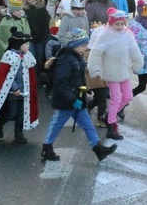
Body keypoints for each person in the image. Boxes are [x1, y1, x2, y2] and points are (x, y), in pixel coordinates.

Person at [40, 28, 117, 162]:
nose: (85, 48)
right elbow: (60, 84)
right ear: (74, 45)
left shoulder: (77, 58)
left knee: (87, 124)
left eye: (86, 45)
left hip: (77, 100)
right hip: (66, 102)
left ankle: (98, 149)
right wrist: (72, 99)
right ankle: (47, 147)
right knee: (56, 124)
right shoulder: (64, 60)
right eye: (83, 45)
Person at [87, 8, 143, 140]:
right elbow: (95, 52)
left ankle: (109, 116)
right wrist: (94, 69)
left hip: (124, 71)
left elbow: (134, 50)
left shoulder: (127, 34)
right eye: (116, 24)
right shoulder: (105, 35)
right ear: (111, 23)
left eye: (122, 24)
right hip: (111, 72)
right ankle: (111, 127)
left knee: (128, 96)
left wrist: (137, 64)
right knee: (116, 98)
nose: (119, 27)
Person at [0, 27, 39, 143]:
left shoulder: (27, 56)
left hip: (25, 91)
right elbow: (6, 76)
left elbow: (30, 74)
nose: (28, 46)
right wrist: (15, 88)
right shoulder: (9, 56)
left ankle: (18, 134)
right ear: (18, 44)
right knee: (12, 112)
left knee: (22, 113)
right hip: (11, 92)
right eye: (26, 44)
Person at [0, 0, 31, 81]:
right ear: (13, 11)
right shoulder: (5, 22)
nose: (21, 12)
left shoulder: (23, 20)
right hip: (10, 55)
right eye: (19, 10)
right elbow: (5, 40)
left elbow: (27, 34)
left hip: (22, 53)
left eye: (21, 10)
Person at [23, 0, 51, 87]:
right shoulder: (24, 10)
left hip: (40, 38)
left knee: (39, 58)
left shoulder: (42, 10)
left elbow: (45, 24)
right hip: (29, 38)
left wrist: (44, 38)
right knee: (31, 58)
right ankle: (32, 78)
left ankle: (39, 76)